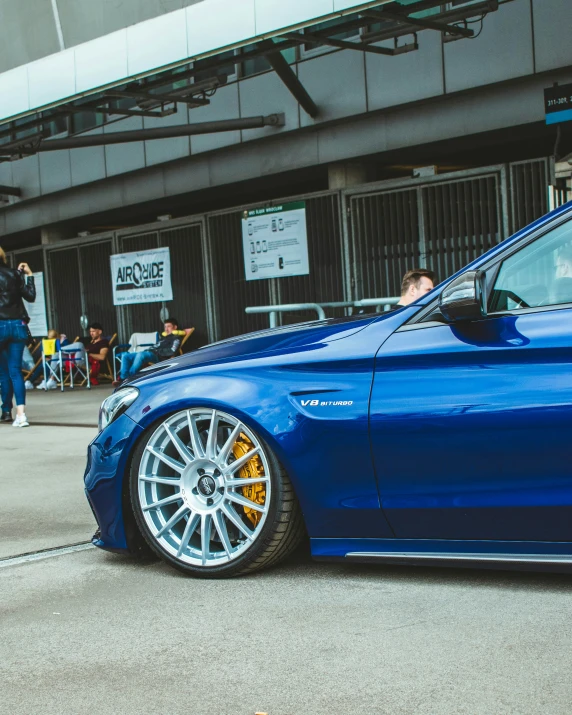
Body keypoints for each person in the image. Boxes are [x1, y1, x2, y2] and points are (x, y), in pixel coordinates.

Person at [0, 247, 36, 427]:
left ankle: (6, 410)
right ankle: (20, 415)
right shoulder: (15, 274)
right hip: (17, 326)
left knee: (3, 372)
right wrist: (28, 275)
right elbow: (30, 296)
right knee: (15, 371)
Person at [114, 318, 181, 385]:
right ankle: (123, 378)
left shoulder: (176, 338)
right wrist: (150, 349)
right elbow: (156, 345)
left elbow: (172, 350)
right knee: (125, 356)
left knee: (141, 355)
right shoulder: (164, 337)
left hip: (159, 356)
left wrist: (157, 351)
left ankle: (130, 378)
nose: (166, 329)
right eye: (165, 327)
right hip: (151, 352)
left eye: (168, 326)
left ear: (175, 327)